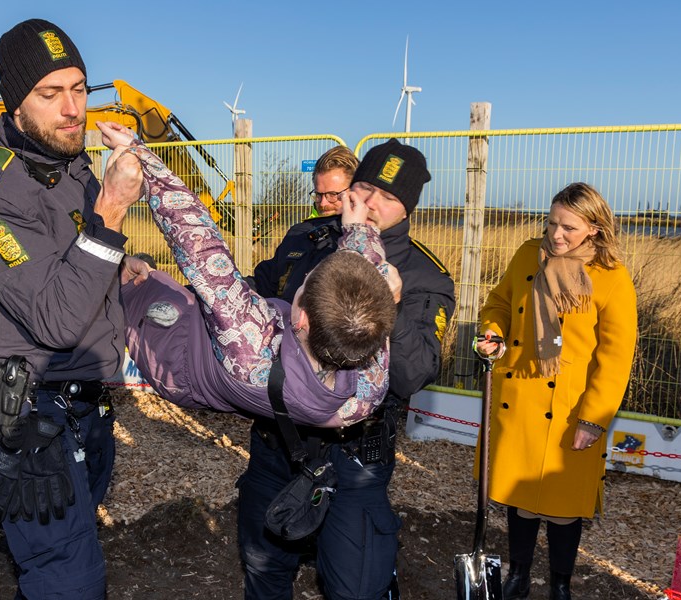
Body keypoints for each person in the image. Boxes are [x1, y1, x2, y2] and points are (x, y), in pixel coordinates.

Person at [0, 19, 143, 599]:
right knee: (69, 582)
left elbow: (64, 258)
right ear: (14, 104)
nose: (72, 108)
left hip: (84, 404)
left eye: (79, 88)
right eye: (50, 94)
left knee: (61, 570)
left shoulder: (69, 162)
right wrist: (112, 217)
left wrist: (120, 259)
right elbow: (53, 316)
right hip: (26, 417)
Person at [243, 138, 456, 600]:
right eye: (365, 189)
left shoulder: (424, 275)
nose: (372, 204)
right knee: (263, 569)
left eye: (389, 197)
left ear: (408, 210)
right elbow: (250, 298)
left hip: (353, 459)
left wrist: (392, 308)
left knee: (355, 587)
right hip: (277, 441)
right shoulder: (306, 240)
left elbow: (413, 374)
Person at [101, 121, 395, 428]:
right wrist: (360, 231)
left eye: (304, 286)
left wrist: (139, 153)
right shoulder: (367, 391)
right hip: (231, 383)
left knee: (136, 298)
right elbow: (364, 302)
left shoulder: (250, 342)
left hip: (175, 361)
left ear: (303, 318)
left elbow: (198, 242)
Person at [475, 182, 636, 600]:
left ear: (595, 229)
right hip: (519, 394)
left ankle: (561, 584)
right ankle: (519, 575)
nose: (557, 235)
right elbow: (499, 304)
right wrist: (491, 331)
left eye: (568, 227)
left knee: (565, 508)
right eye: (551, 224)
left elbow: (615, 358)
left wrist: (593, 418)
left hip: (571, 408)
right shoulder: (529, 253)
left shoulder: (612, 278)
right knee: (521, 497)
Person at [252, 146, 357, 298]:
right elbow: (266, 281)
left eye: (333, 195)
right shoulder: (298, 232)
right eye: (318, 195)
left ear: (353, 192)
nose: (323, 203)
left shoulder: (360, 241)